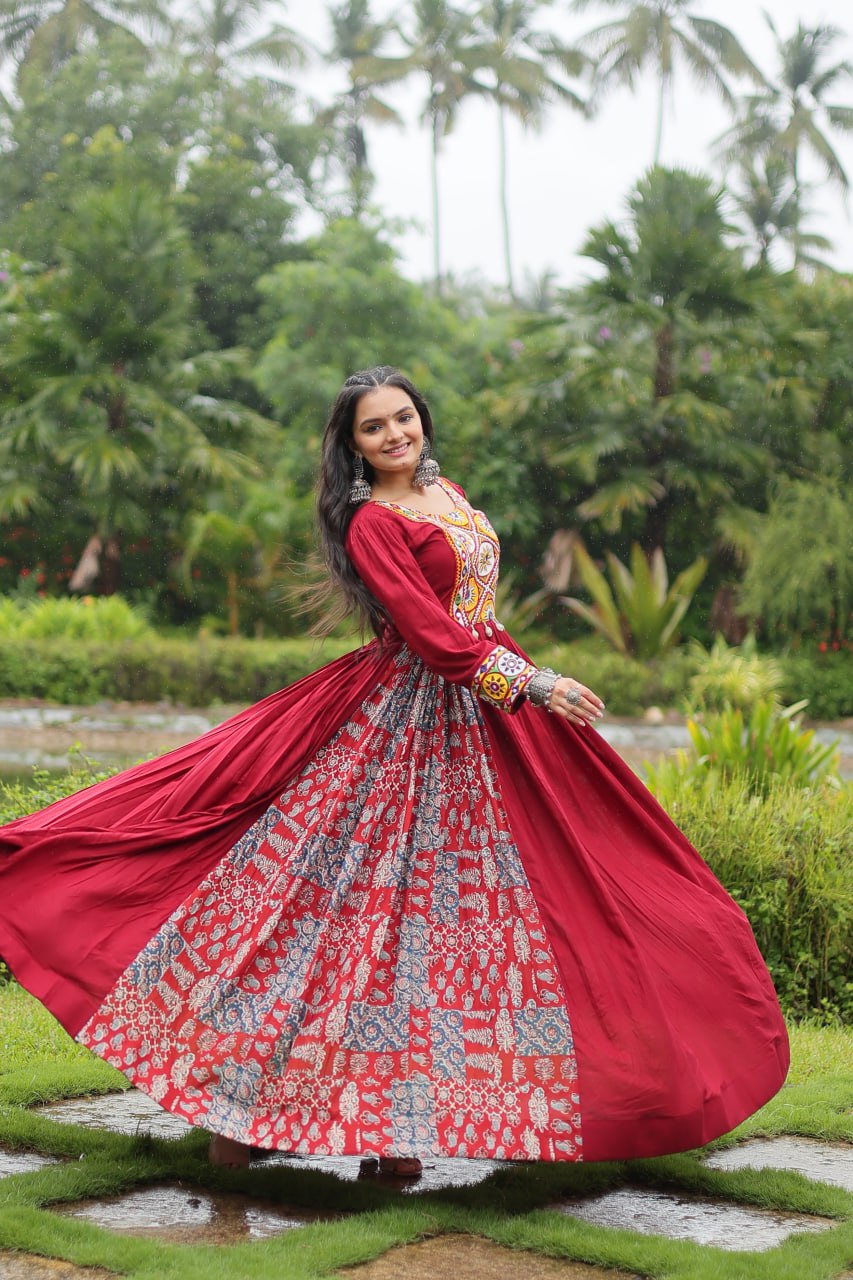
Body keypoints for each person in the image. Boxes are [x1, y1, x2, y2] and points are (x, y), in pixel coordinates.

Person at [0, 366, 788, 1178]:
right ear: (351, 447)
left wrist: (520, 673)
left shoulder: (450, 499)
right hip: (399, 732)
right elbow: (429, 633)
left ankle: (389, 1129)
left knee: (489, 923)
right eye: (372, 429)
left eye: (402, 419)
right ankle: (242, 1107)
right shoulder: (372, 523)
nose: (394, 436)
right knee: (343, 920)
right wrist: (532, 684)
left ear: (422, 420)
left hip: (485, 726)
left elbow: (476, 617)